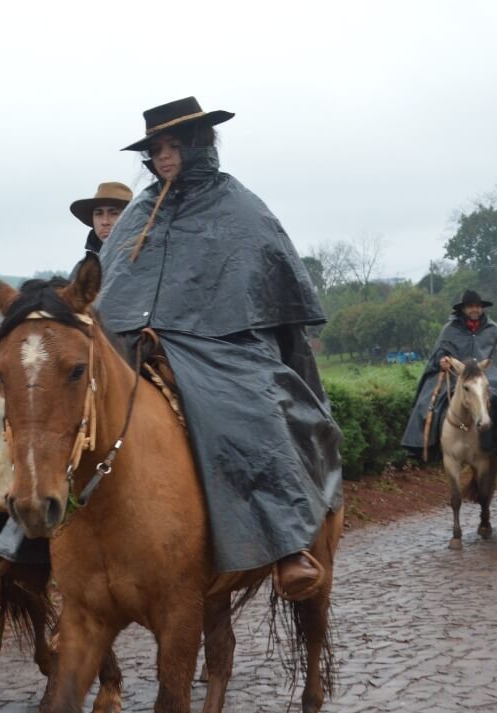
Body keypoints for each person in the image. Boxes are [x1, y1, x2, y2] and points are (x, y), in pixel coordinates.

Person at [95, 97, 342, 600]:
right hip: (135, 343)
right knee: (63, 403)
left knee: (252, 410)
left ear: (199, 142)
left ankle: (286, 543)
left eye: (172, 146)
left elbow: (266, 293)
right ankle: (28, 542)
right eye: (155, 149)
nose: (163, 157)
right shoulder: (138, 212)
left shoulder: (240, 206)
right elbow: (112, 291)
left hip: (224, 344)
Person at [0, 181, 136, 573]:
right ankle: (16, 541)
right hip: (94, 356)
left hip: (139, 350)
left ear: (131, 216)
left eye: (114, 213)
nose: (105, 221)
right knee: (41, 421)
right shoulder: (82, 269)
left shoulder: (146, 253)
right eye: (99, 214)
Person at [401, 290, 497, 459]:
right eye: (470, 307)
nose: (474, 310)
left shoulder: (493, 328)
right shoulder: (450, 329)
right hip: (457, 374)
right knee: (429, 402)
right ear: (463, 309)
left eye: (477, 306)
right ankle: (426, 446)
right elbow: (440, 352)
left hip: (488, 374)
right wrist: (442, 361)